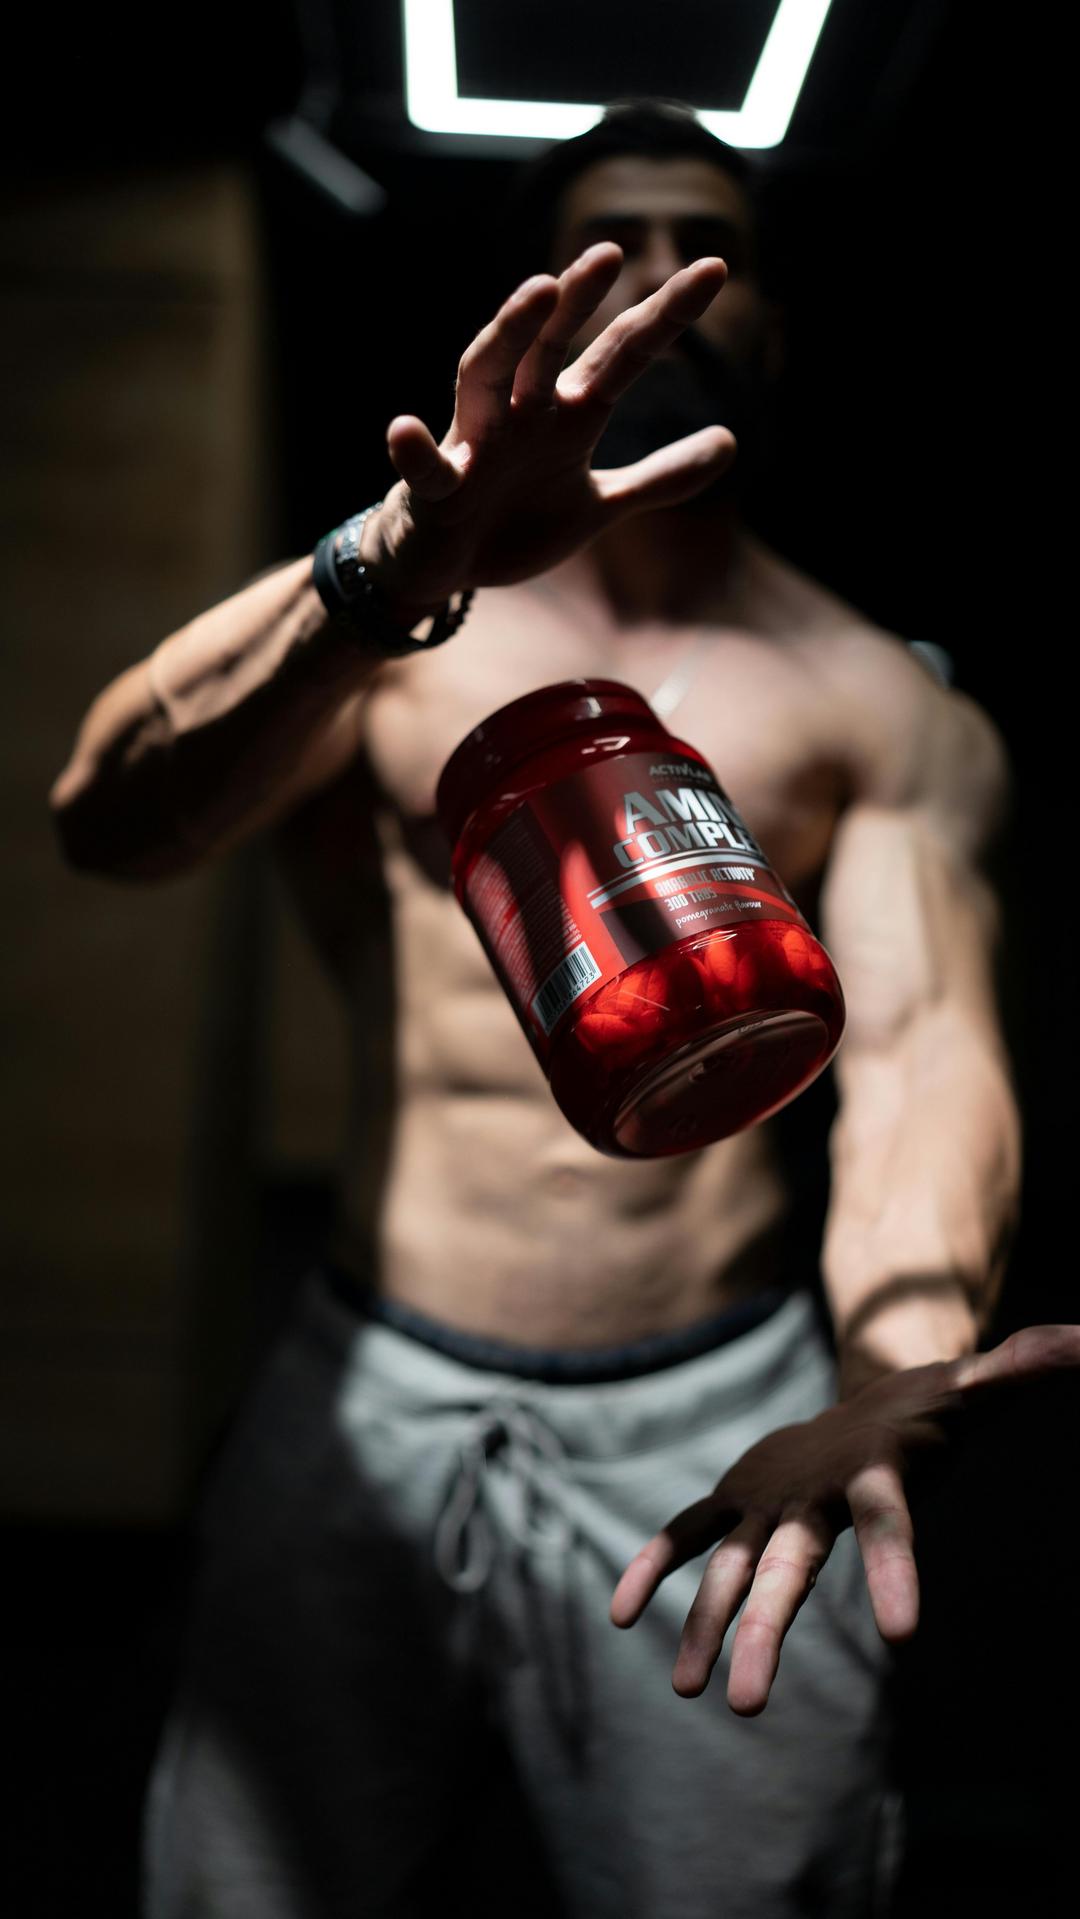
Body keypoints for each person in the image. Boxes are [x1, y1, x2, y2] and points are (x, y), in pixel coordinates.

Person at [49, 101, 1074, 1919]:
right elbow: (111, 821)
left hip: (721, 1404)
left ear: (772, 325)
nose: (671, 284)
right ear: (539, 308)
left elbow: (925, 1056)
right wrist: (384, 567)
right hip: (375, 1385)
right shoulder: (389, 635)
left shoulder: (870, 703)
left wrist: (891, 1371)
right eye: (619, 244)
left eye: (712, 250)